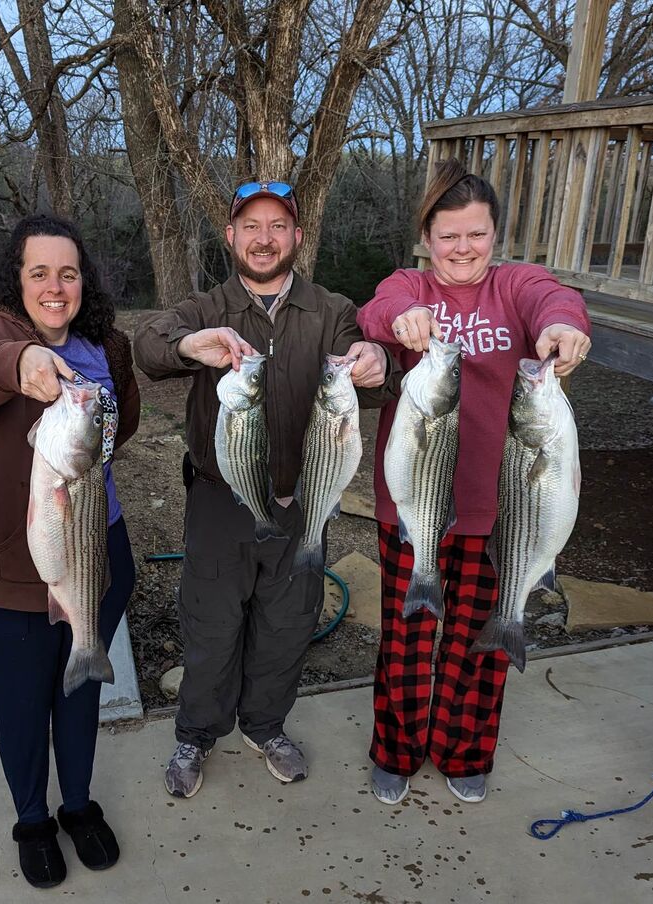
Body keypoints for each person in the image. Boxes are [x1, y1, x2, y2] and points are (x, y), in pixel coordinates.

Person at [133, 179, 397, 799]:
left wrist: (375, 360)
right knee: (212, 622)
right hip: (220, 499)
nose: (263, 237)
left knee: (287, 621)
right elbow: (148, 346)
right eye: (250, 225)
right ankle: (195, 735)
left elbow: (375, 370)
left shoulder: (330, 309)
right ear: (230, 235)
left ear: (297, 237)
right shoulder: (205, 309)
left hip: (306, 496)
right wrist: (184, 345)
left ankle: (266, 726)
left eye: (278, 225)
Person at [357, 158, 591, 806]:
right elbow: (378, 311)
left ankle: (464, 751)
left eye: (477, 234)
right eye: (449, 235)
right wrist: (401, 319)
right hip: (412, 508)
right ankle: (396, 749)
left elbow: (554, 299)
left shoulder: (515, 287)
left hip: (501, 513)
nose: (463, 248)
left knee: (474, 645)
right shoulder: (409, 286)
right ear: (426, 238)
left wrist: (561, 326)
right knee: (405, 640)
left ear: (496, 235)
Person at [0, 214, 140, 889]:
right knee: (23, 704)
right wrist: (22, 363)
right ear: (16, 280)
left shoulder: (105, 345)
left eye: (68, 272)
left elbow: (126, 426)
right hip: (5, 571)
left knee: (81, 688)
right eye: (39, 273)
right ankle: (32, 819)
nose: (55, 287)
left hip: (98, 548)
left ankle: (78, 804)